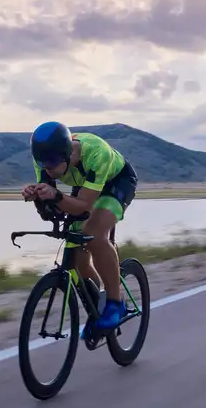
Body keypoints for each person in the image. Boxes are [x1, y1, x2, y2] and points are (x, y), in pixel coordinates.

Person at [21, 121, 138, 330]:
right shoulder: (46, 159)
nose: (49, 168)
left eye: (54, 162)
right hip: (84, 186)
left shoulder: (96, 153)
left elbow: (83, 208)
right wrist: (37, 198)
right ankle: (98, 308)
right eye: (43, 163)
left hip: (117, 182)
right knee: (78, 258)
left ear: (67, 153)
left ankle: (115, 302)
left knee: (94, 234)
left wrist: (56, 195)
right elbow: (50, 213)